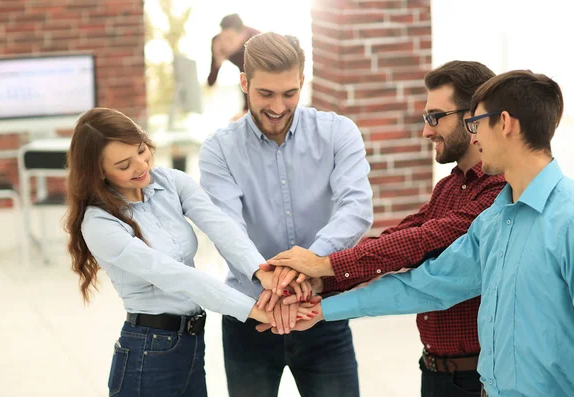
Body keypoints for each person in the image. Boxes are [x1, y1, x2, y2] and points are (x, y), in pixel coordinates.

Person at [283, 71, 574, 397]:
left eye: (476, 124)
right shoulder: (492, 223)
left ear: (504, 123)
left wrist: (325, 266)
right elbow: (426, 287)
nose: (474, 138)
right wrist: (321, 311)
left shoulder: (568, 222)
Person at [63, 107, 306, 397]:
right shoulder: (100, 223)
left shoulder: (170, 182)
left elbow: (221, 227)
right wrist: (254, 310)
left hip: (191, 343)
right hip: (147, 353)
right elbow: (178, 277)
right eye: (124, 165)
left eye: (141, 151)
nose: (141, 166)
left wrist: (262, 273)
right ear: (99, 171)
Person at [198, 32, 374, 397]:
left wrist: (304, 267)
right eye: (266, 94)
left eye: (289, 93)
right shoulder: (219, 149)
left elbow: (356, 209)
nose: (278, 106)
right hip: (250, 315)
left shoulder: (338, 132)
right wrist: (274, 282)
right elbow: (226, 227)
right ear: (244, 83)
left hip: (322, 311)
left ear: (302, 83)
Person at [207, 13, 260, 119]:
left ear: (243, 35)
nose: (225, 43)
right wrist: (217, 60)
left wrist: (247, 110)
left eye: (229, 39)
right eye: (223, 37)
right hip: (245, 84)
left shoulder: (256, 40)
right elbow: (211, 82)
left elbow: (258, 80)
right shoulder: (218, 42)